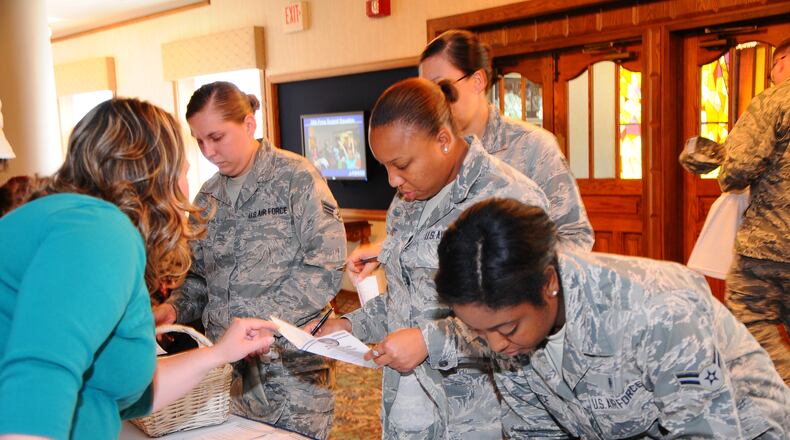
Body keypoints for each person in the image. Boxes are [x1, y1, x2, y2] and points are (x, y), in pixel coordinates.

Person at [0, 98, 277, 440]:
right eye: (185, 171)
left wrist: (219, 354)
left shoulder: (76, 223)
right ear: (157, 175)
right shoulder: (99, 229)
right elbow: (38, 382)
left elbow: (129, 393)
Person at [311, 78, 550, 439]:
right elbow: (404, 300)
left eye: (402, 164)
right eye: (385, 167)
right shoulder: (407, 202)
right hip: (410, 410)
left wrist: (429, 341)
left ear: (442, 140)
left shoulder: (508, 198)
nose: (392, 180)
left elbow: (529, 317)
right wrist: (348, 327)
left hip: (482, 417)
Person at [433, 198, 790, 438]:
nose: (495, 345)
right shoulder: (507, 324)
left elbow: (706, 430)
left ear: (548, 284)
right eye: (477, 332)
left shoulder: (658, 310)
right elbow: (535, 430)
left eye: (506, 329)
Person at [152, 81, 346, 439]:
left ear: (248, 124)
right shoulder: (208, 196)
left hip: (290, 371)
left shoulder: (295, 178)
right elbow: (197, 277)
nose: (208, 151)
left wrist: (264, 321)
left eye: (217, 137)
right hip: (227, 375)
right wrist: (175, 309)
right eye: (199, 141)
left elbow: (325, 265)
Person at [348, 28, 592, 287]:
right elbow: (433, 232)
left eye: (442, 87)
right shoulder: (425, 156)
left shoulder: (532, 147)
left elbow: (575, 238)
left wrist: (516, 279)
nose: (434, 100)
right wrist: (388, 250)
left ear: (478, 81)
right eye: (426, 91)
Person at [717, 37, 790, 384]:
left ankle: (784, 389)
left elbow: (739, 168)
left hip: (771, 245)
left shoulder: (774, 100)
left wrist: (725, 171)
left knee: (748, 317)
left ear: (782, 61)